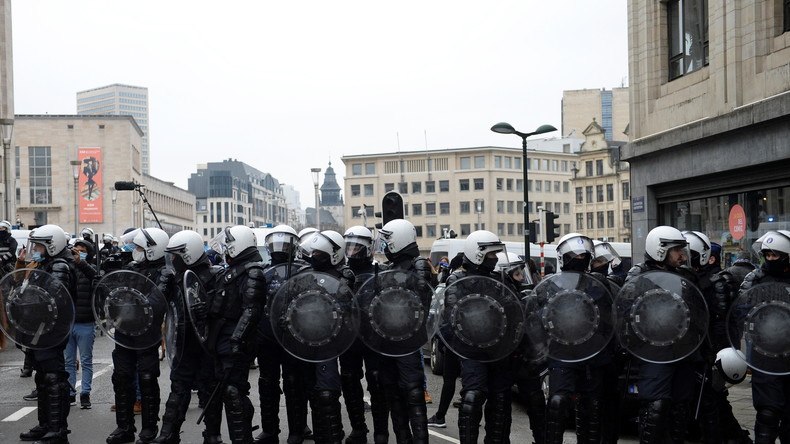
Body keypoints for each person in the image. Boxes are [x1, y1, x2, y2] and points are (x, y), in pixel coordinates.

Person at [442, 230, 520, 444]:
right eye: (491, 255)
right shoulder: (458, 280)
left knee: (501, 399)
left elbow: (514, 312)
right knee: (472, 397)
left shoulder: (500, 279)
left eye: (496, 255)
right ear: (477, 254)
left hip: (499, 350)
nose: (494, 259)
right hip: (472, 350)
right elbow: (452, 314)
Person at [626, 226, 697, 443]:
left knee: (680, 408)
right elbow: (626, 314)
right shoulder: (639, 277)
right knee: (655, 405)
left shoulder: (687, 276)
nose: (683, 255)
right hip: (653, 351)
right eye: (677, 250)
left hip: (683, 350)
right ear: (660, 249)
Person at [153, 230, 223, 444]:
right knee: (178, 390)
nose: (172, 260)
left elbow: (225, 308)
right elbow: (160, 308)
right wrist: (163, 286)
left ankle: (213, 435)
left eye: (175, 256)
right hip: (183, 343)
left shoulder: (215, 275)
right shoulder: (174, 279)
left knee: (210, 391)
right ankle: (168, 434)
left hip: (206, 343)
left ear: (188, 254)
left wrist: (209, 308)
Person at [544, 233, 615, 444]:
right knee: (557, 402)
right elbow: (539, 317)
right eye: (575, 255)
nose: (580, 258)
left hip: (593, 354)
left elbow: (610, 318)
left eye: (584, 255)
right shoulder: (551, 285)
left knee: (591, 406)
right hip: (561, 352)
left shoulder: (598, 284)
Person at [106, 228, 170, 444]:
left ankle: (149, 430)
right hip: (124, 333)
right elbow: (116, 296)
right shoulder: (131, 268)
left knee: (147, 380)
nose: (135, 251)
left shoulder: (164, 273)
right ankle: (124, 427)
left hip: (146, 336)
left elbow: (155, 303)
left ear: (153, 250)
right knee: (121, 379)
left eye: (140, 248)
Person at [205, 225, 266, 444]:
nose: (226, 248)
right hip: (220, 340)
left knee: (234, 393)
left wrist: (236, 341)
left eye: (229, 244)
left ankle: (242, 440)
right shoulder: (229, 270)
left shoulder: (253, 273)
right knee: (218, 389)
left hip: (236, 343)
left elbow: (251, 311)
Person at [15, 224, 76, 444]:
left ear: (52, 246)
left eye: (39, 246)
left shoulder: (59, 266)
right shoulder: (46, 264)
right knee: (42, 379)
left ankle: (58, 430)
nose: (36, 250)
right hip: (39, 330)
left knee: (53, 379)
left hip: (51, 330)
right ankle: (45, 425)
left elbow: (53, 299)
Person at [253, 225, 312, 444]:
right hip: (267, 336)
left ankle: (297, 430)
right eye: (275, 245)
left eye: (283, 245)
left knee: (294, 384)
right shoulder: (262, 270)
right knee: (267, 384)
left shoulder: (304, 270)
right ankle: (270, 430)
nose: (278, 249)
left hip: (294, 338)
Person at [376, 219, 432, 444]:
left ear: (398, 240)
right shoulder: (389, 269)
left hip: (408, 342)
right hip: (388, 342)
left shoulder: (417, 266)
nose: (384, 246)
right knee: (393, 393)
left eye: (387, 241)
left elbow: (419, 304)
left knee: (413, 392)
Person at [739, 230, 790, 443]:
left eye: (775, 256)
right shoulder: (754, 279)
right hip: (765, 354)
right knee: (767, 414)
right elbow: (741, 310)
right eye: (767, 255)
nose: (770, 259)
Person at [340, 226, 389, 444]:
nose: (351, 252)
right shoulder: (341, 273)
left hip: (374, 337)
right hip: (349, 337)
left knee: (377, 382)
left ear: (368, 248)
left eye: (356, 247)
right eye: (348, 246)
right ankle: (358, 429)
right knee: (349, 382)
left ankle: (381, 431)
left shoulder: (380, 271)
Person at [65, 238, 99, 410]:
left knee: (86, 361)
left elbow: (97, 279)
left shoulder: (92, 268)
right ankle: (70, 393)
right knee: (69, 361)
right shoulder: (67, 269)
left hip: (86, 323)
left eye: (82, 250)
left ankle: (85, 393)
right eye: (75, 250)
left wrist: (81, 263)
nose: (78, 253)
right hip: (68, 323)